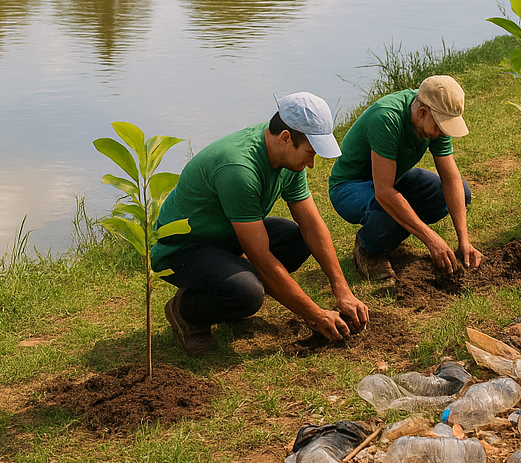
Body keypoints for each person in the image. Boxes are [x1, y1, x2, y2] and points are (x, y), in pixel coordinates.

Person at [153, 91, 370, 355]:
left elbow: (312, 225)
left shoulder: (286, 157)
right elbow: (263, 261)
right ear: (285, 138)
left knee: (298, 240)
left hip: (224, 236)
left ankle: (227, 284)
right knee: (247, 293)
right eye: (310, 153)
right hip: (183, 246)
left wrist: (342, 289)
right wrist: (315, 315)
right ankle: (186, 311)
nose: (312, 164)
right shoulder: (238, 169)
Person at [329, 75, 478, 282]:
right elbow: (384, 193)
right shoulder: (386, 118)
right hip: (350, 186)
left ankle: (393, 231)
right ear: (422, 112)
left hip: (392, 178)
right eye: (439, 126)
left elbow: (451, 180)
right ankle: (368, 249)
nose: (442, 132)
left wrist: (464, 241)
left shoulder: (435, 121)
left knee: (462, 192)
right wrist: (432, 240)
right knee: (387, 209)